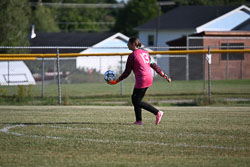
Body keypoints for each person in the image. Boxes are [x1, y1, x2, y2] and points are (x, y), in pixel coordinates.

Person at [108, 37, 171, 125]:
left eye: (128, 43)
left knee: (136, 101)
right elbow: (154, 65)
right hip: (149, 77)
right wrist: (164, 75)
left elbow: (127, 72)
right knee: (135, 99)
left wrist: (116, 81)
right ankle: (139, 121)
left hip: (142, 78)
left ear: (133, 44)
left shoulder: (132, 55)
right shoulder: (145, 52)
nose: (127, 45)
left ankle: (157, 112)